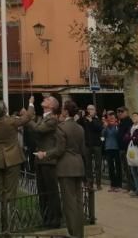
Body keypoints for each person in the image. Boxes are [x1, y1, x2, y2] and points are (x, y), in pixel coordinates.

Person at [0, 96, 35, 232]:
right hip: (13, 159)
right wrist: (30, 103)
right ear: (5, 110)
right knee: (10, 193)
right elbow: (29, 116)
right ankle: (10, 225)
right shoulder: (12, 122)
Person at [26, 95, 64, 230]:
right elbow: (35, 130)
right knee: (42, 192)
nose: (45, 99)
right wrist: (30, 110)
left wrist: (26, 116)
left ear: (52, 106)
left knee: (51, 192)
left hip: (48, 160)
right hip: (39, 159)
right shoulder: (43, 118)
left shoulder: (52, 119)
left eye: (48, 99)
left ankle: (55, 220)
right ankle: (45, 218)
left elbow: (37, 130)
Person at [57, 99, 87, 238]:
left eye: (63, 108)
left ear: (66, 111)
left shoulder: (62, 127)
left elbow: (59, 150)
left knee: (69, 203)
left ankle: (74, 233)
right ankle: (80, 232)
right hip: (78, 165)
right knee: (78, 202)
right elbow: (82, 149)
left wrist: (45, 154)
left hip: (66, 167)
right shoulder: (80, 128)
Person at [78, 103, 104, 191]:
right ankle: (90, 183)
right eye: (88, 109)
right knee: (88, 165)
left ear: (95, 111)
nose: (89, 111)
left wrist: (91, 121)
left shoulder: (97, 120)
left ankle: (99, 183)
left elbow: (99, 128)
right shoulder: (84, 119)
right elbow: (77, 124)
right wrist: (80, 116)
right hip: (87, 145)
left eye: (91, 109)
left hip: (97, 145)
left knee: (98, 165)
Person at [102, 111, 123, 192]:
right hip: (108, 148)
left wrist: (115, 126)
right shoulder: (106, 128)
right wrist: (104, 128)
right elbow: (102, 137)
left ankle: (119, 185)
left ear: (115, 119)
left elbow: (117, 135)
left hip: (116, 148)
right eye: (109, 118)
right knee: (110, 168)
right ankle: (113, 185)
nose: (111, 120)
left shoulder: (117, 127)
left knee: (118, 167)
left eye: (113, 118)